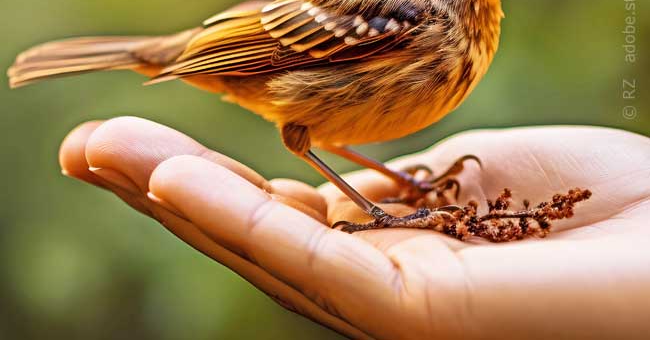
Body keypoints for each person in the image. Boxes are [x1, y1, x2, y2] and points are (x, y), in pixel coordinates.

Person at [60, 116, 650, 339]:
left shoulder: (462, 20)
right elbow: (307, 131)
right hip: (284, 73)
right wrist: (378, 211)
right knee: (310, 143)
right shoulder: (410, 10)